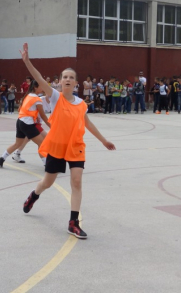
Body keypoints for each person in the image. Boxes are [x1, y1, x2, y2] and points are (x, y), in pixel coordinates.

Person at [19, 43, 115, 239]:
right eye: (65, 77)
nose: (68, 79)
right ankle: (34, 195)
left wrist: (104, 140)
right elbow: (38, 77)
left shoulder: (81, 104)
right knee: (48, 181)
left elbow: (87, 124)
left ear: (76, 83)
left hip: (76, 147)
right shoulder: (55, 97)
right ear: (60, 82)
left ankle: (73, 223)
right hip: (57, 146)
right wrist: (27, 61)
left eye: (71, 77)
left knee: (77, 181)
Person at [0, 79, 50, 168]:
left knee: (18, 143)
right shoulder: (37, 99)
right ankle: (47, 164)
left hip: (20, 121)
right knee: (42, 143)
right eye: (41, 85)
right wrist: (51, 126)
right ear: (36, 87)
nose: (43, 87)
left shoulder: (28, 96)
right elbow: (43, 116)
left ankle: (2, 158)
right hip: (28, 124)